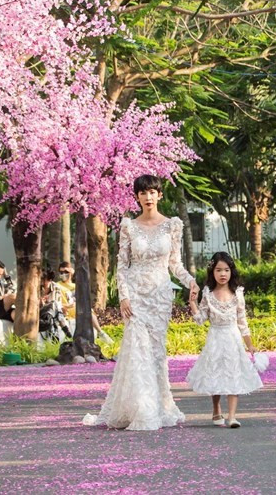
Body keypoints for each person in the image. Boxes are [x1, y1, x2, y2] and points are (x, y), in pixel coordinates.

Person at [83, 175, 199, 431]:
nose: (148, 197)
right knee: (137, 349)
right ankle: (140, 409)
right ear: (136, 197)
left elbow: (175, 264)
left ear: (159, 195)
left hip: (159, 295)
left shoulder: (172, 226)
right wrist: (123, 296)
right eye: (143, 193)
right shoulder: (128, 226)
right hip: (134, 296)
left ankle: (159, 406)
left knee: (156, 353)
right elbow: (122, 266)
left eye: (152, 192)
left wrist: (191, 281)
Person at [186, 252, 262, 428]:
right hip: (215, 338)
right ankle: (216, 408)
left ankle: (232, 417)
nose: (222, 274)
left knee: (232, 374)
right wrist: (192, 303)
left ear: (231, 272)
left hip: (233, 339)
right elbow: (200, 320)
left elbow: (242, 322)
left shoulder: (238, 293)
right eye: (219, 270)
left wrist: (250, 345)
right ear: (212, 272)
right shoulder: (208, 293)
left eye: (226, 270)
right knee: (216, 375)